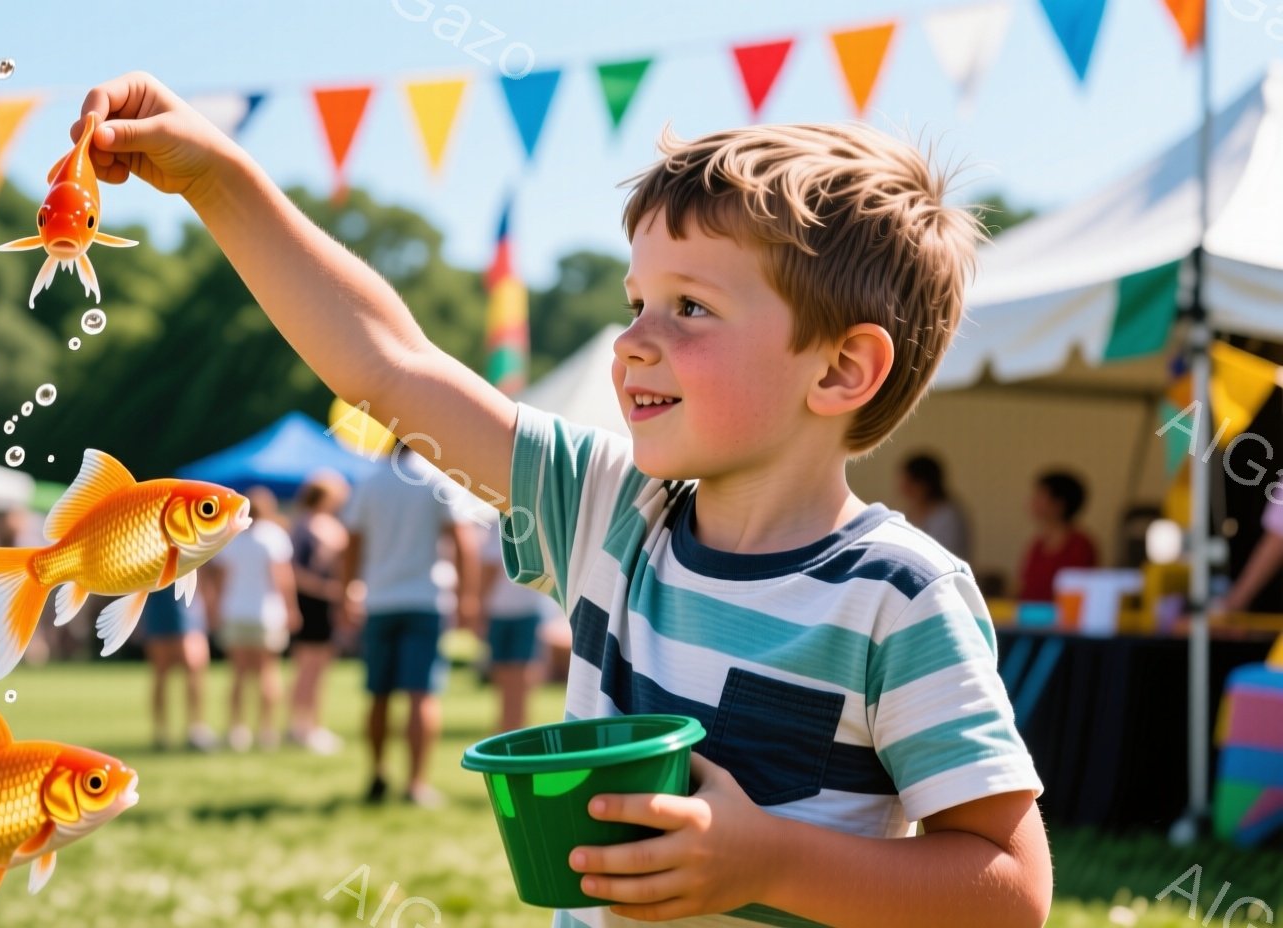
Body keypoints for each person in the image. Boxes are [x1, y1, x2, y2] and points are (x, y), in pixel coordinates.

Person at [72, 75, 1051, 925]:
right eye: (636, 300)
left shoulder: (898, 593)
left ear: (841, 369)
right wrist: (217, 179)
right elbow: (391, 366)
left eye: (690, 307)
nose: (631, 339)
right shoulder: (610, 511)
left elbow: (1007, 889)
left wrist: (770, 862)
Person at [342, 444, 479, 807]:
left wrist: (346, 593)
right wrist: (468, 598)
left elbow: (351, 541)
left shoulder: (370, 480)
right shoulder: (436, 479)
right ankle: (416, 784)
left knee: (378, 694)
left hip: (380, 601)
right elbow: (463, 541)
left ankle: (376, 774)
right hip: (426, 600)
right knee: (421, 693)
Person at [208, 487, 299, 752]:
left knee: (238, 674)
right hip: (266, 613)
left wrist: (215, 609)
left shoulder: (231, 537)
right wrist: (291, 608)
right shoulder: (274, 537)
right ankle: (267, 730)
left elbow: (221, 580)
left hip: (235, 611)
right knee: (267, 673)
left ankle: (237, 729)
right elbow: (282, 577)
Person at [286, 471, 350, 754]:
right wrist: (327, 590)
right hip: (311, 603)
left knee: (320, 667)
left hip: (327, 604)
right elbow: (294, 572)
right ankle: (299, 726)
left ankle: (312, 724)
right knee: (308, 667)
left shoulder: (330, 525)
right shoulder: (303, 527)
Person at [476, 518, 554, 733]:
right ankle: (512, 725)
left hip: (505, 608)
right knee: (518, 675)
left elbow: (490, 567)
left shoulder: (499, 521)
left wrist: (478, 604)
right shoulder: (540, 518)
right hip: (528, 605)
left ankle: (511, 727)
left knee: (511, 675)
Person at [142, 580, 217, 752]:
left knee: (194, 668)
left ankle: (195, 728)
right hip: (162, 604)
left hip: (189, 606)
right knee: (163, 671)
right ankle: (162, 732)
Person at [1018, 470, 1099, 603]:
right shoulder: (1037, 544)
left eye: (1040, 496)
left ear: (1059, 504)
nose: (1032, 501)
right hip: (1030, 617)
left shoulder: (1080, 545)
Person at [898, 452, 971, 561]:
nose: (903, 489)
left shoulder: (947, 516)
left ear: (924, 484)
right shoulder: (912, 513)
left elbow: (940, 556)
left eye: (908, 483)